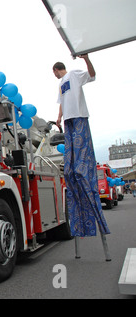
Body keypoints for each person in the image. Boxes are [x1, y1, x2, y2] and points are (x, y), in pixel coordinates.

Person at [53, 54, 110, 237]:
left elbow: (92, 75)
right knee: (71, 168)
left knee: (81, 162)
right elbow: (61, 102)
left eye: (53, 72)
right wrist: (59, 117)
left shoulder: (74, 74)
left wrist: (86, 58)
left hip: (79, 116)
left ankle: (83, 169)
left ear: (56, 69)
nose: (54, 75)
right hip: (68, 120)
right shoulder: (61, 84)